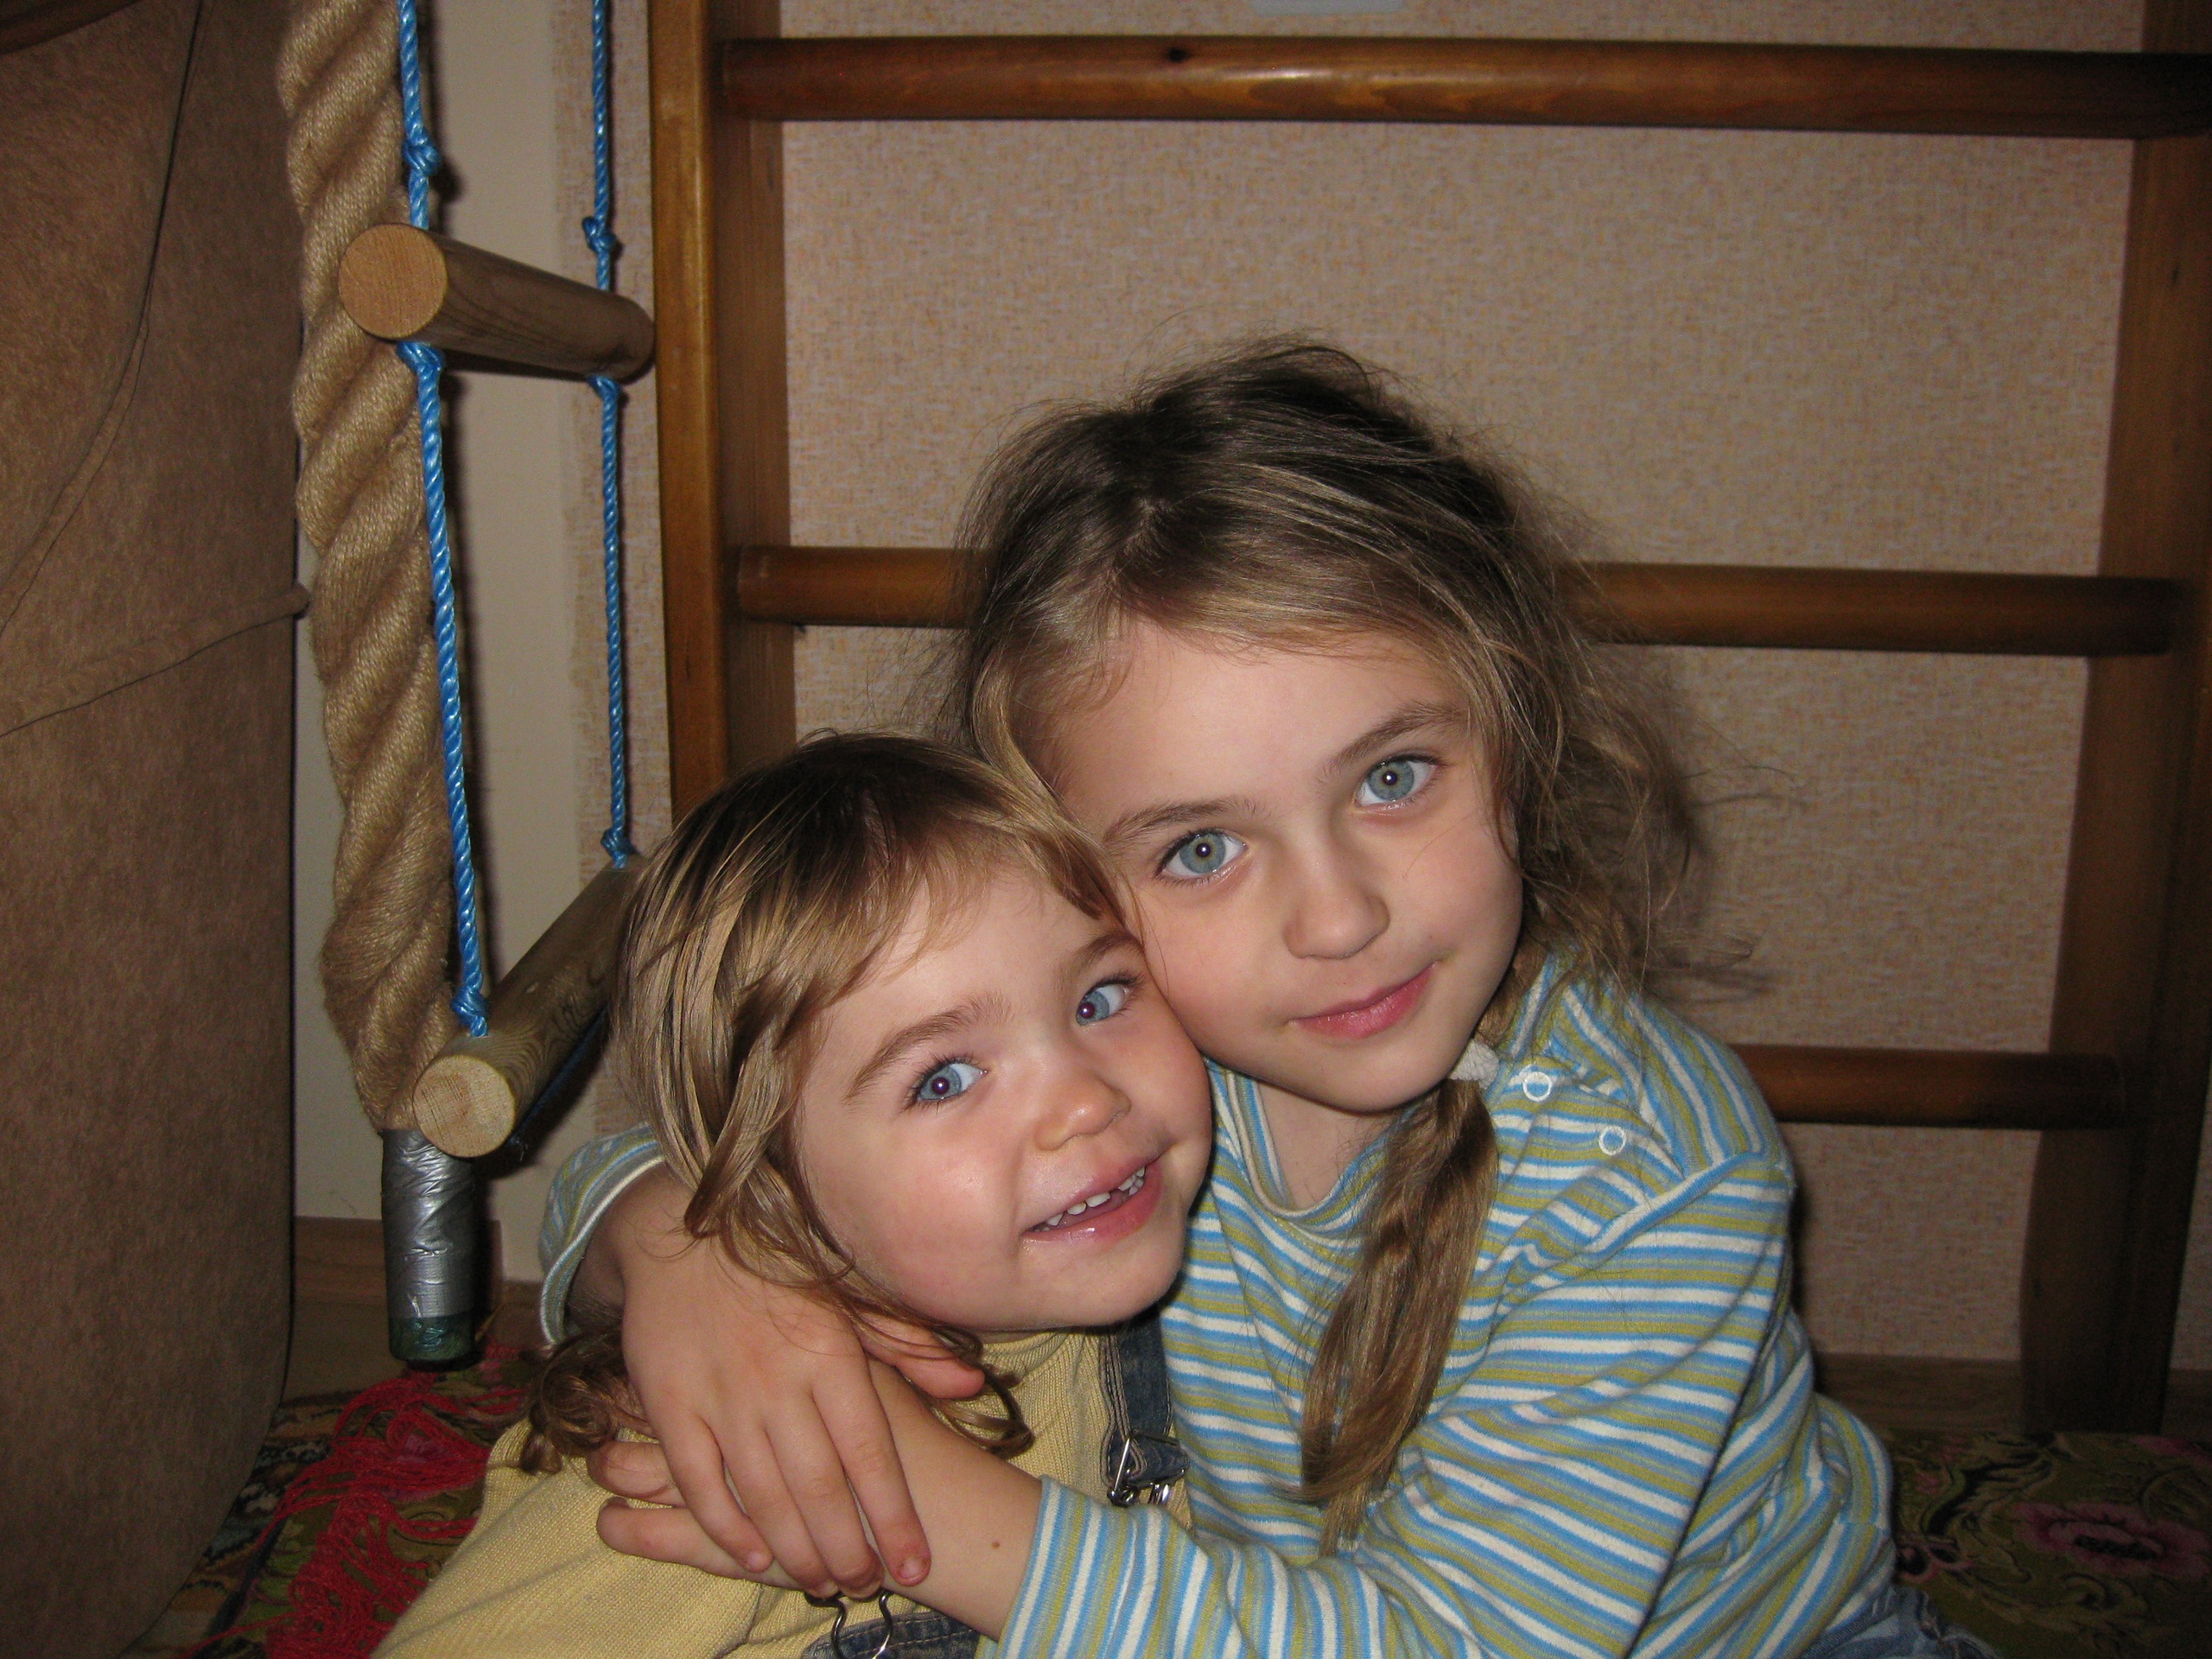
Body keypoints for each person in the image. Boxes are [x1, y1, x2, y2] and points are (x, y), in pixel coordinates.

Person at [543, 344, 2001, 1656]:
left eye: (1393, 777)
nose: (1339, 918)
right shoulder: (1110, 1059)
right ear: (1061, 875)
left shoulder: (1650, 1168)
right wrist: (682, 1255)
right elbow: (721, 1139)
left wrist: (929, 1508)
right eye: (1200, 850)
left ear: (1519, 728)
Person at [376, 733, 1213, 1658]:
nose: (1087, 1101)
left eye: (1100, 999)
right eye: (944, 1080)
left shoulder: (1204, 1242)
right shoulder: (722, 1456)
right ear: (771, 1186)